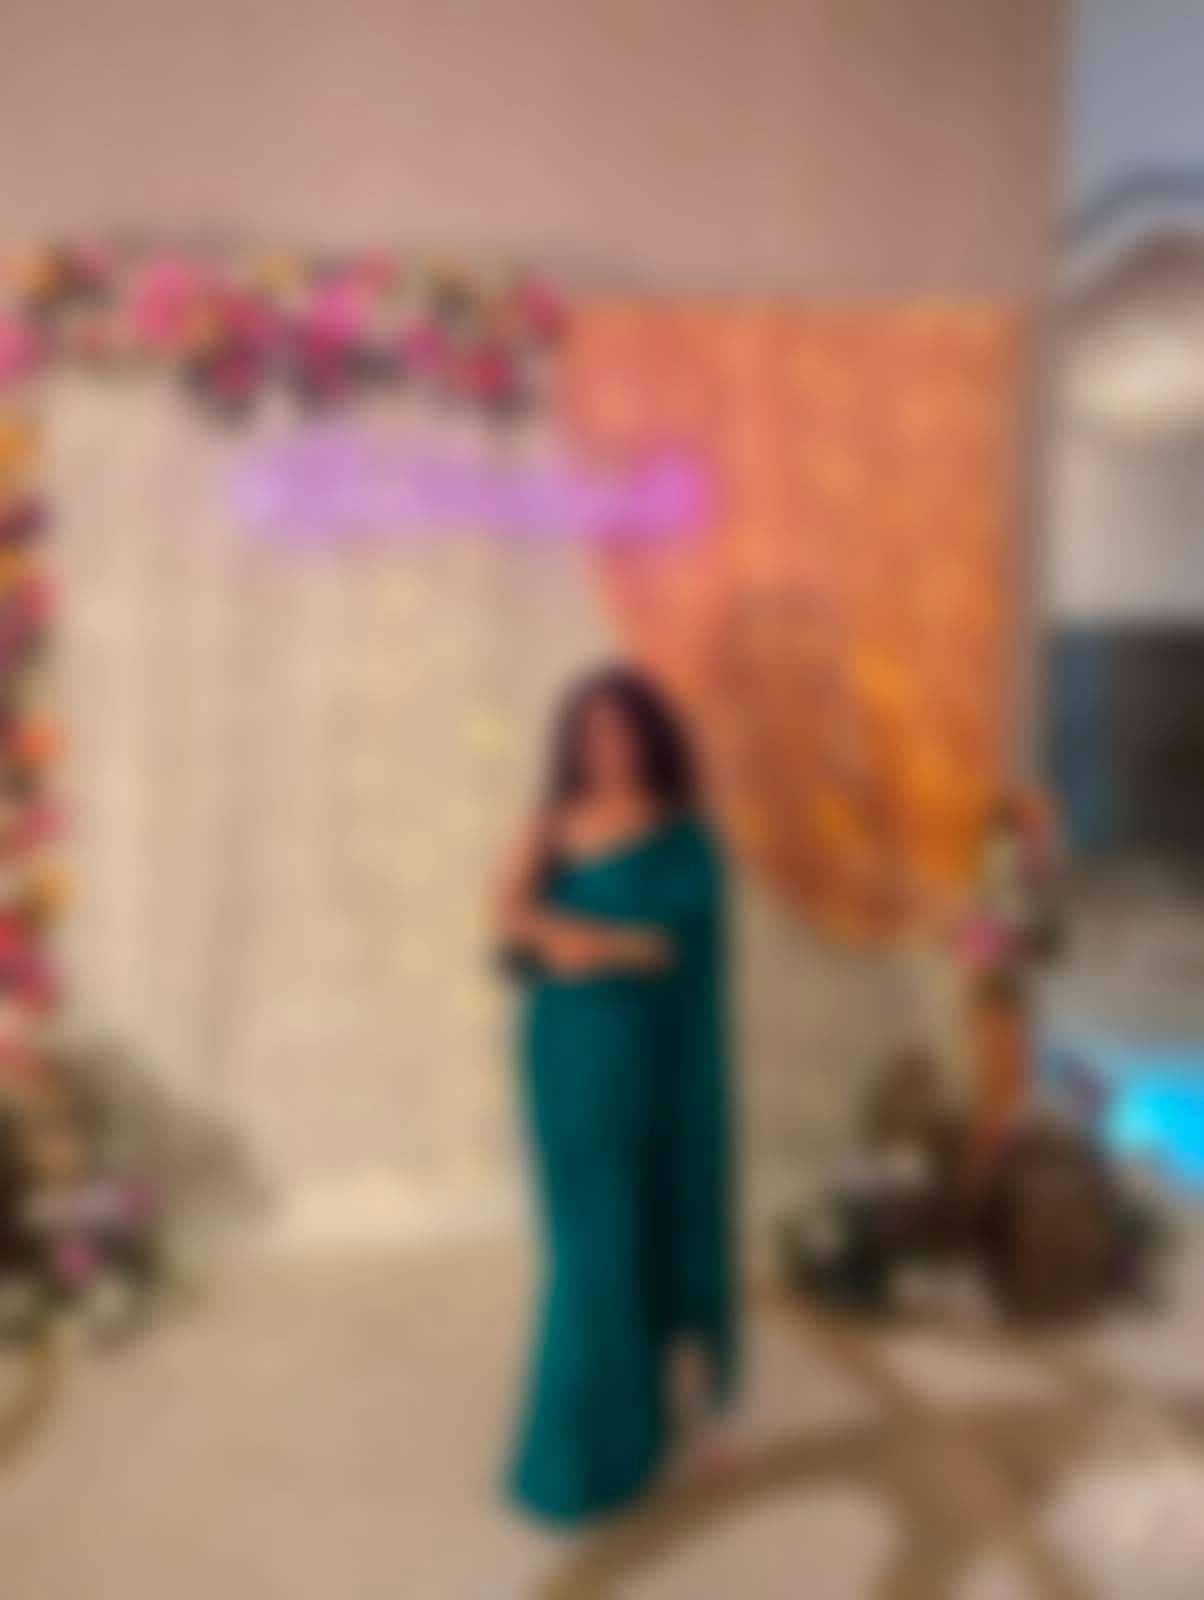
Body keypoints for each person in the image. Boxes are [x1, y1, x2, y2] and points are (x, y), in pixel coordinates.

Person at [495, 665, 736, 1525]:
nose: (608, 747)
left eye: (623, 730)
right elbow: (506, 913)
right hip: (559, 1048)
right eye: (592, 732)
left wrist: (587, 941)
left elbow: (671, 951)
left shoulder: (682, 835)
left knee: (627, 1225)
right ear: (575, 743)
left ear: (649, 737)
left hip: (641, 1056)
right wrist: (557, 933)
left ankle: (615, 1433)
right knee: (584, 1234)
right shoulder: (553, 822)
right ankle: (595, 1439)